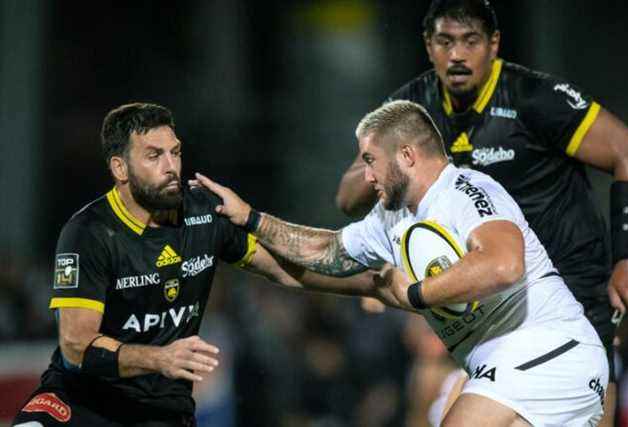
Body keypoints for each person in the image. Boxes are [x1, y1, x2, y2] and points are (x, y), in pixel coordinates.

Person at [334, 1, 628, 424]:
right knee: (426, 382)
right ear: (428, 46)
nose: (457, 55)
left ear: (493, 44)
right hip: (478, 287)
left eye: (470, 41)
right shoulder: (413, 109)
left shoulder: (534, 98)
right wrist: (377, 160)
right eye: (445, 41)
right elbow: (348, 200)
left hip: (568, 288)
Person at [195, 100, 610, 426]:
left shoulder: (465, 191)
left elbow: (504, 265)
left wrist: (415, 293)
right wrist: (251, 221)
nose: (366, 177)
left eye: (370, 161)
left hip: (548, 349)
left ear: (408, 155)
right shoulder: (390, 217)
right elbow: (328, 254)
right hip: (523, 363)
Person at [11, 102, 381, 427]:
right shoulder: (88, 233)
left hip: (159, 412)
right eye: (154, 156)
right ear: (120, 168)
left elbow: (283, 268)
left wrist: (367, 284)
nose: (172, 166)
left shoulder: (204, 211)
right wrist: (159, 358)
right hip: (81, 404)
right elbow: (76, 347)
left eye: (176, 152)